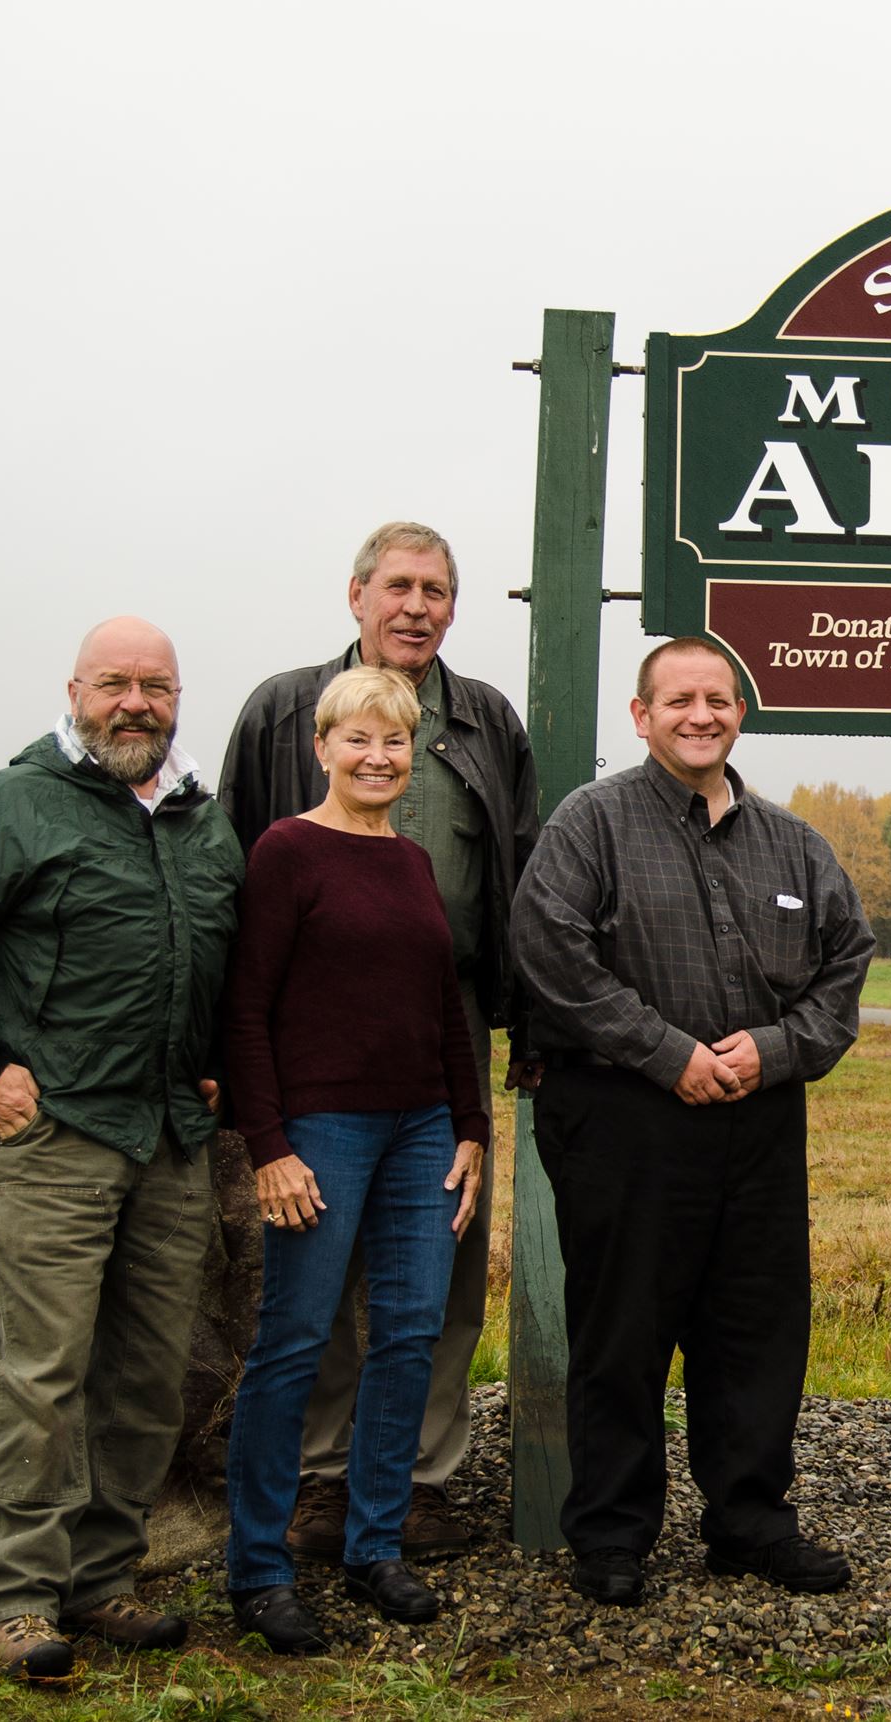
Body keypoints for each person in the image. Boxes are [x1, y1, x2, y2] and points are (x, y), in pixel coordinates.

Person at [0, 618, 244, 1683]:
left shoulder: (199, 822)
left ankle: (101, 1576)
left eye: (156, 686)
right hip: (55, 1136)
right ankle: (14, 1594)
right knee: (39, 1375)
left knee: (146, 1373)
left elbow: (213, 956)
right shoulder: (10, 806)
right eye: (116, 683)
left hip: (169, 1138)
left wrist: (209, 1057)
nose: (136, 703)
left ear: (177, 699)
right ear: (74, 689)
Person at [510, 635, 874, 1609]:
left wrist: (779, 1048)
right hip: (624, 1115)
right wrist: (667, 1054)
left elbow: (847, 959)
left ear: (738, 713)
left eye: (716, 698)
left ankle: (749, 1524)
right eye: (678, 700)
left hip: (757, 1118)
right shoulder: (591, 825)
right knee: (623, 1328)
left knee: (754, 1329)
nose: (699, 714)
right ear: (641, 716)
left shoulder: (791, 843)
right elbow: (550, 955)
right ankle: (612, 1534)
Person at [219, 520, 539, 1560]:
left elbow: (521, 880)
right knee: (308, 1300)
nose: (416, 606)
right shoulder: (281, 708)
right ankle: (315, 1483)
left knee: (430, 1295)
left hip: (437, 1037)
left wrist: (501, 1064)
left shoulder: (486, 719)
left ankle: (414, 1484)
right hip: (311, 1047)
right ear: (354, 595)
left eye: (436, 590)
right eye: (397, 586)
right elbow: (228, 884)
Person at [216, 666, 490, 1652]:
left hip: (423, 1129)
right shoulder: (286, 853)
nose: (378, 758)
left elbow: (442, 1010)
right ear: (322, 747)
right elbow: (244, 1008)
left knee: (409, 1333)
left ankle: (375, 1547)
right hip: (322, 1129)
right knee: (294, 1340)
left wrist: (468, 1127)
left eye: (394, 743)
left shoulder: (413, 865)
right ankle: (257, 1568)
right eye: (358, 741)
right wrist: (269, 1146)